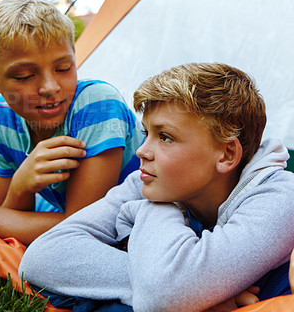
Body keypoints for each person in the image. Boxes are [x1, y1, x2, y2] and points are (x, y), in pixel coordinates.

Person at [19, 63, 294, 312]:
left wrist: (180, 289)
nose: (141, 151)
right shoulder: (151, 182)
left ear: (226, 155)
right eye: (145, 133)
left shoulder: (281, 197)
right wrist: (194, 293)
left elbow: (163, 296)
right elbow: (41, 256)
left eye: (165, 137)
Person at [0, 0, 143, 246]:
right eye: (24, 76)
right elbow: (7, 217)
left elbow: (86, 229)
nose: (50, 87)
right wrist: (21, 187)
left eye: (63, 68)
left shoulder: (98, 104)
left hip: (138, 220)